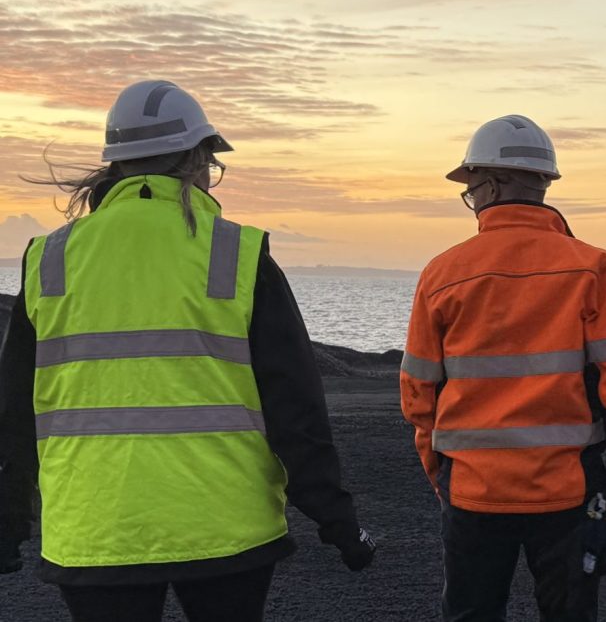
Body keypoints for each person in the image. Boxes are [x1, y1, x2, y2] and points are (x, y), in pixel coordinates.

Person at [0, 80, 374, 622]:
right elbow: (295, 408)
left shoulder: (47, 260)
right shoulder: (237, 253)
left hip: (94, 531)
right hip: (226, 531)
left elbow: (14, 413)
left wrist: (8, 524)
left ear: (115, 166)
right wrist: (339, 522)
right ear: (198, 158)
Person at [401, 114, 606, 622]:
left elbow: (418, 395)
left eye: (471, 190)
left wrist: (441, 475)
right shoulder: (595, 267)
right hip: (566, 493)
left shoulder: (442, 273)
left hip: (473, 491)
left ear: (489, 185)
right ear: (543, 184)